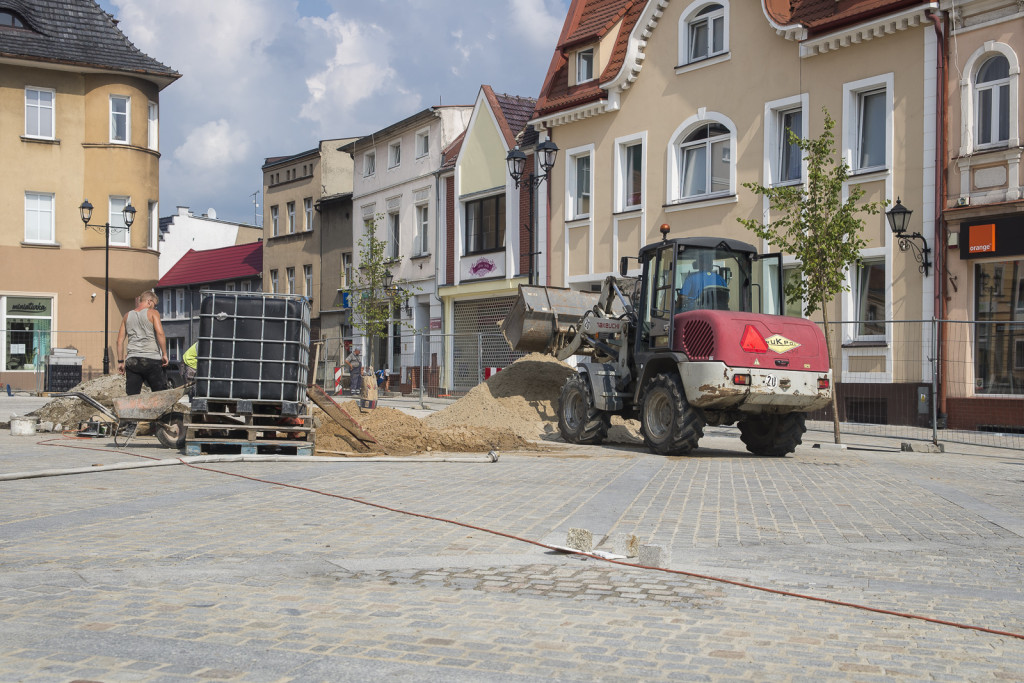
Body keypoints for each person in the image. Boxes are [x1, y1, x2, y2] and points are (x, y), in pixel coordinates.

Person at [115, 290, 169, 396]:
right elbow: (160, 333)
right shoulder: (153, 313)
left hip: (132, 360)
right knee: (160, 394)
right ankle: (160, 412)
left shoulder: (127, 316)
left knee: (132, 395)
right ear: (149, 301)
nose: (154, 307)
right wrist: (164, 354)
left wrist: (121, 361)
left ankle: (132, 412)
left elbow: (119, 341)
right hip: (151, 359)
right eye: (154, 304)